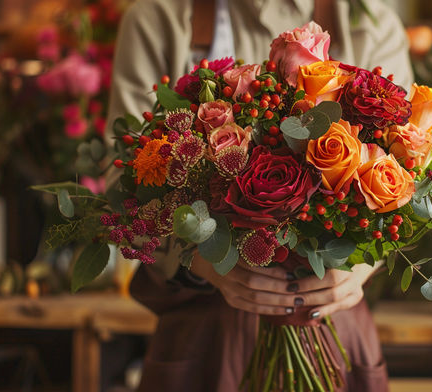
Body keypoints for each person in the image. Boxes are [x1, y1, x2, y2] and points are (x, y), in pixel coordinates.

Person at [106, 0, 413, 390]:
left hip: (330, 330)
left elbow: (406, 170)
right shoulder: (159, 18)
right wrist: (202, 261)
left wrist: (357, 269)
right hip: (205, 337)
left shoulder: (370, 23)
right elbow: (122, 182)